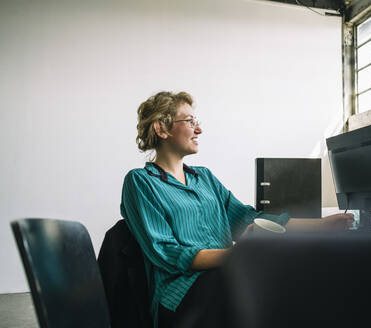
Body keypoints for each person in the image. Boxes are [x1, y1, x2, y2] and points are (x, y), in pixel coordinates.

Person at [120, 91, 354, 328]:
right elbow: (167, 252)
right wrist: (237, 255)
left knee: (294, 277)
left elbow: (247, 219)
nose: (198, 130)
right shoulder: (140, 182)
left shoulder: (205, 178)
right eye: (190, 122)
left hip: (226, 277)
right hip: (181, 294)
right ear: (162, 129)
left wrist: (322, 226)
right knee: (258, 288)